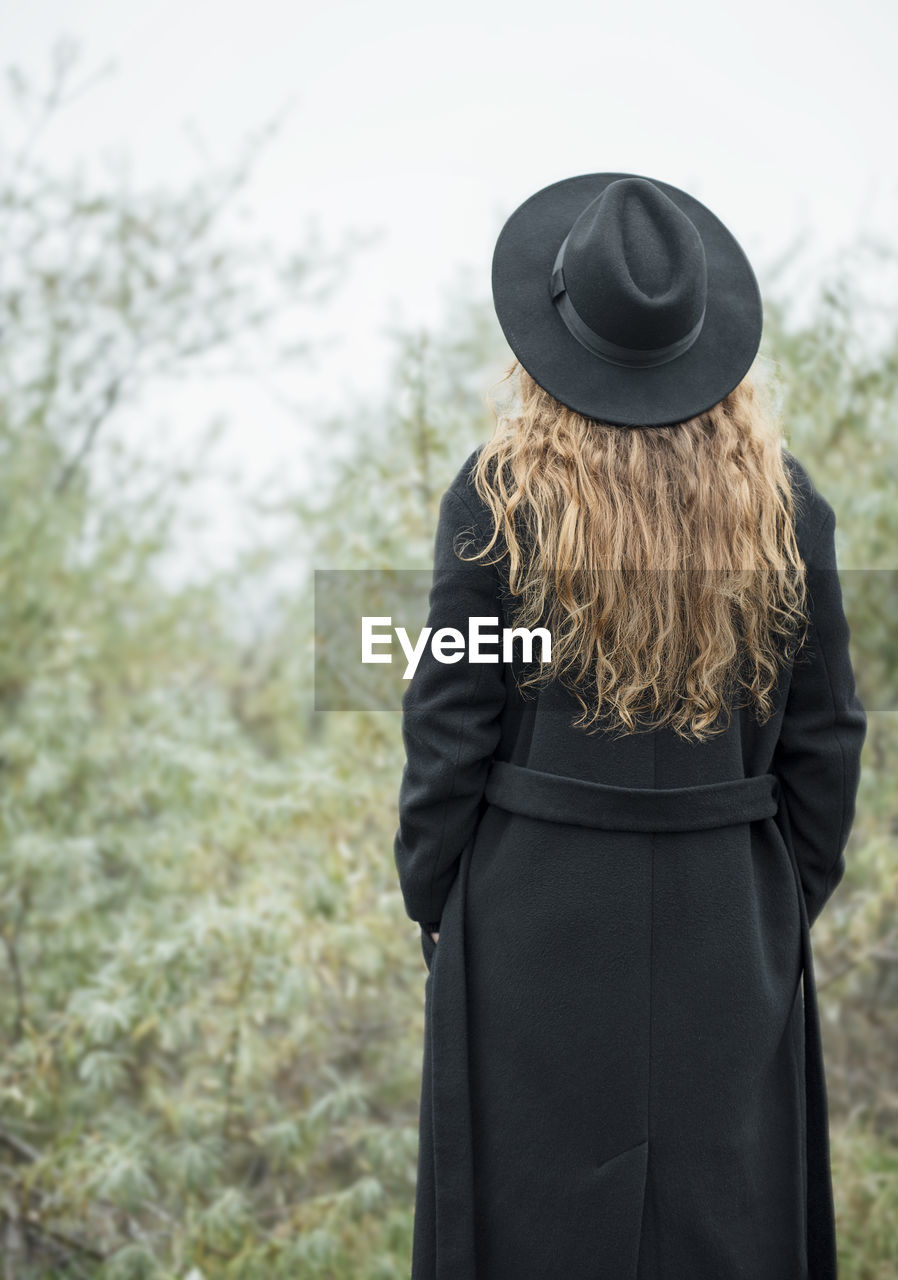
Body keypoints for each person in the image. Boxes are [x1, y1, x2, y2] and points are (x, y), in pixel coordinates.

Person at [392, 173, 867, 1280]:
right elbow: (827, 742)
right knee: (725, 1231)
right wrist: (771, 898)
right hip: (727, 923)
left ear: (554, 337)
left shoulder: (497, 499)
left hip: (528, 926)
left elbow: (446, 737)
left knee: (532, 1239)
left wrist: (440, 902)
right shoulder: (788, 508)